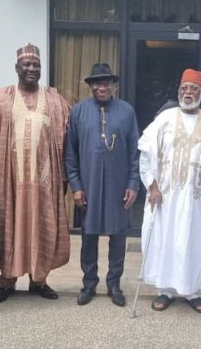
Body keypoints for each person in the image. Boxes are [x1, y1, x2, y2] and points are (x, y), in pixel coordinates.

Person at [138, 69, 201, 314]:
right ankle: (166, 291)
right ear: (179, 91)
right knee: (166, 241)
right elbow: (146, 157)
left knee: (194, 243)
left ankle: (192, 291)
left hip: (198, 201)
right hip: (166, 199)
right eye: (184, 89)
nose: (188, 93)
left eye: (193, 89)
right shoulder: (164, 119)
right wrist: (153, 186)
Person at [0, 44, 71, 303]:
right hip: (11, 182)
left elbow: (69, 137)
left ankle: (39, 281)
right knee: (10, 229)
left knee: (41, 227)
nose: (32, 69)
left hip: (44, 182)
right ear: (16, 68)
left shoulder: (55, 100)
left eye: (36, 66)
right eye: (27, 65)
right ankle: (7, 282)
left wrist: (66, 176)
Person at [65, 63, 140, 307]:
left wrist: (133, 183)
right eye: (97, 82)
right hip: (88, 185)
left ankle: (114, 284)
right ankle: (89, 284)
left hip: (118, 185)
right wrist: (76, 185)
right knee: (88, 236)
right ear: (90, 86)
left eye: (107, 82)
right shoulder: (78, 112)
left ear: (114, 85)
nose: (102, 86)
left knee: (118, 236)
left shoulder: (126, 111)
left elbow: (134, 152)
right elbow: (70, 153)